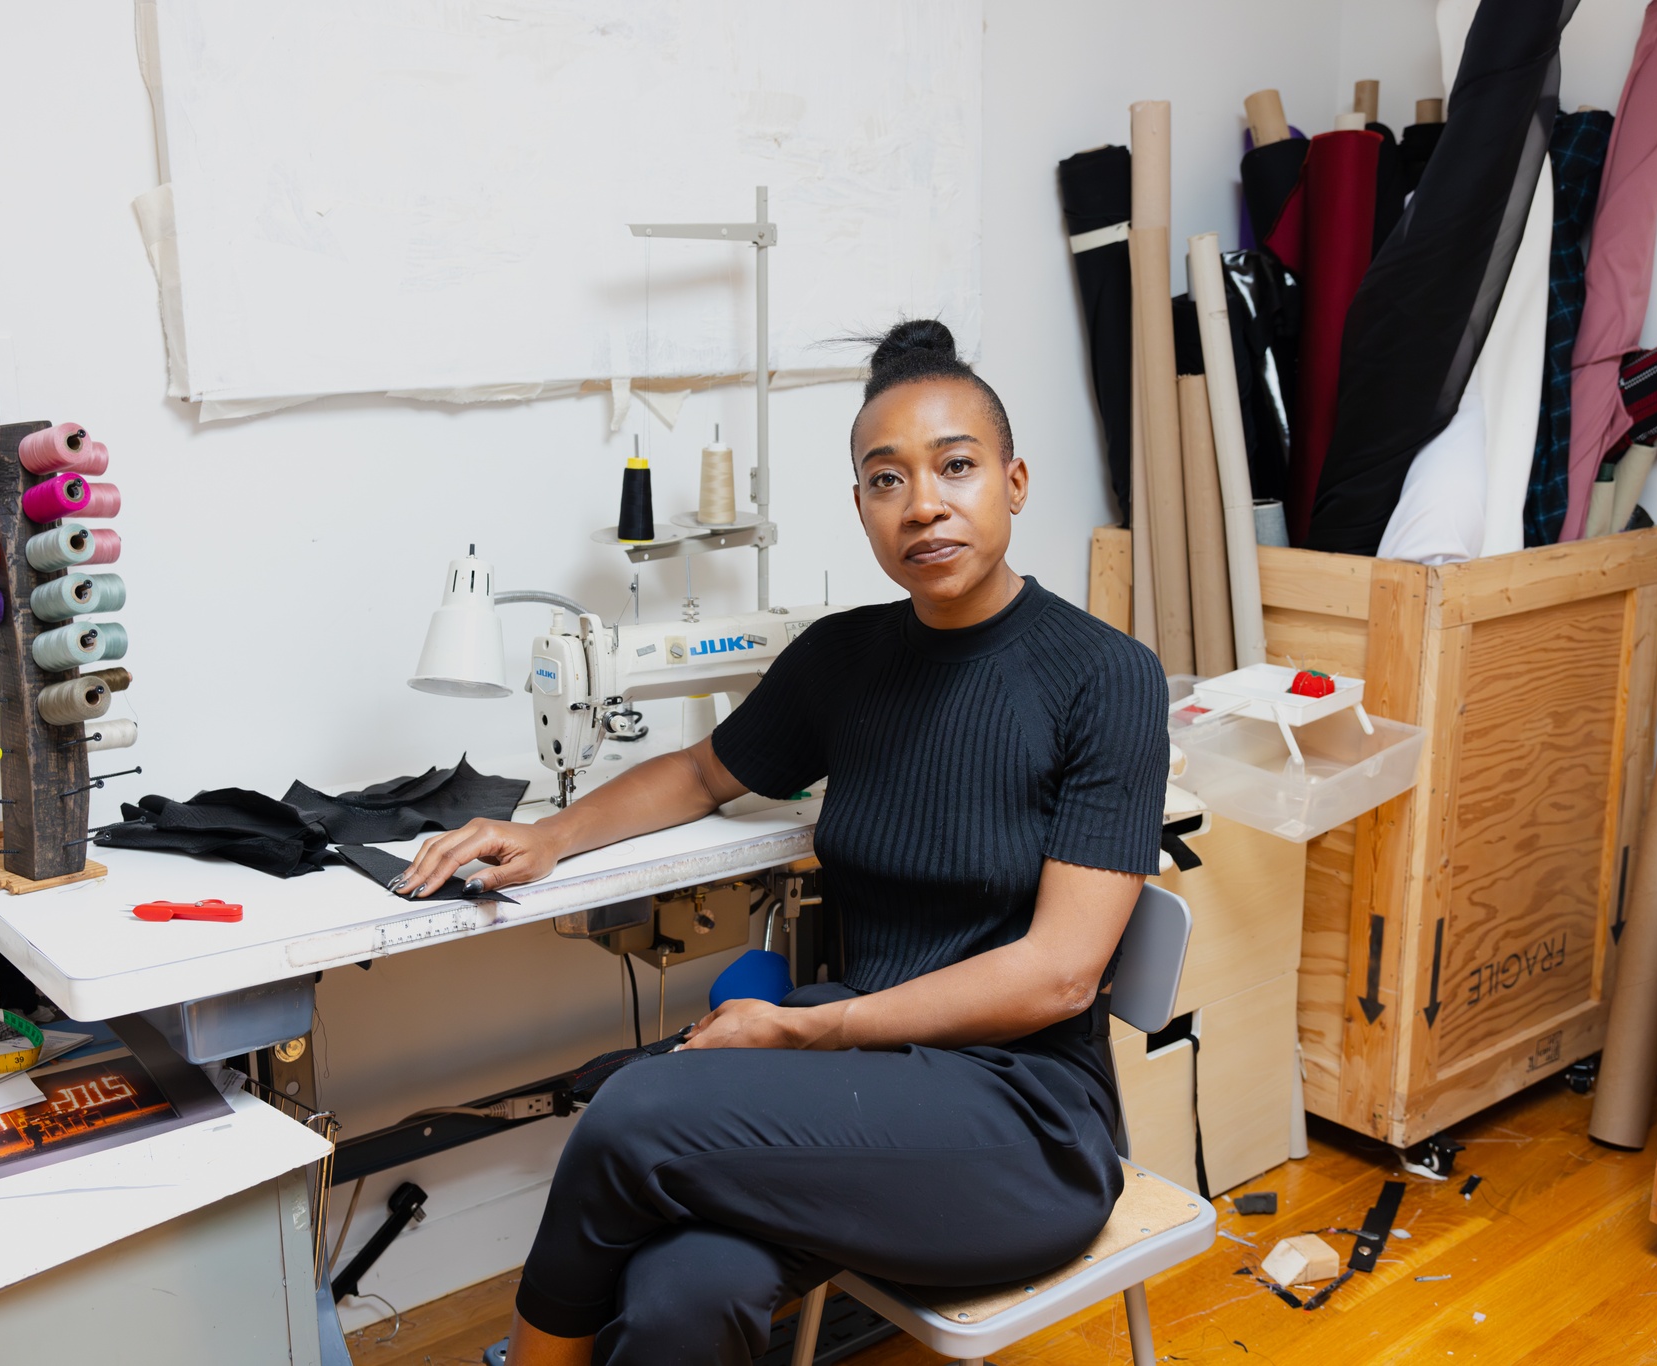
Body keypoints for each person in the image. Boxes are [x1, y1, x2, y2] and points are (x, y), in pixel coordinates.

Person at [399, 320, 1170, 1365]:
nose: (924, 504)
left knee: (632, 1114)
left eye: (954, 467)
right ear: (859, 508)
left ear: (1014, 481)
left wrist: (810, 1031)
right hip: (868, 1080)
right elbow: (703, 770)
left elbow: (1056, 976)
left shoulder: (1104, 677)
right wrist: (550, 835)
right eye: (885, 480)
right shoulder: (844, 656)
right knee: (682, 1293)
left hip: (1022, 1124)